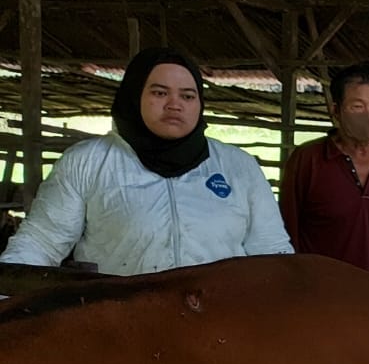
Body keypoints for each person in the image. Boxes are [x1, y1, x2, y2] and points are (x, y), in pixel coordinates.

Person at [0, 46, 292, 275]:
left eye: (188, 96)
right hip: (120, 331)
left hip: (220, 328)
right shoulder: (88, 163)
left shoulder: (238, 167)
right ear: (133, 94)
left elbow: (271, 252)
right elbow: (40, 244)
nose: (174, 104)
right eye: (159, 92)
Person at [279, 63, 369, 292]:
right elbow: (285, 231)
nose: (368, 115)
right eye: (357, 106)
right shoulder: (309, 160)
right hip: (320, 295)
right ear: (335, 110)